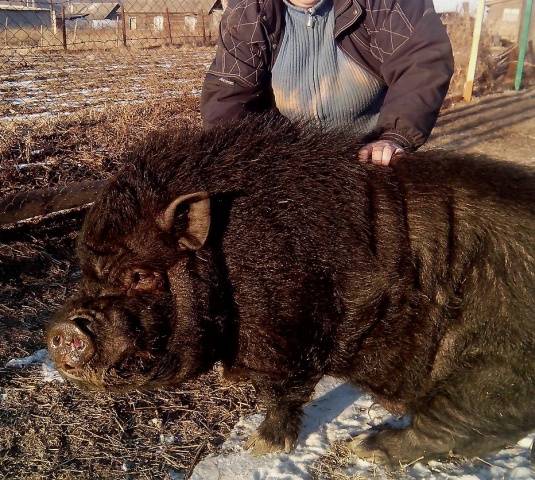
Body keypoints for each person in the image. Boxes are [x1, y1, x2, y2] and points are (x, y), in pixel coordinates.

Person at [200, 0, 453, 166]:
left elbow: (421, 59)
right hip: (290, 161)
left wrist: (395, 136)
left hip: (371, 153)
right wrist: (244, 158)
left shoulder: (383, 3)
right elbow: (228, 94)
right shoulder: (248, 11)